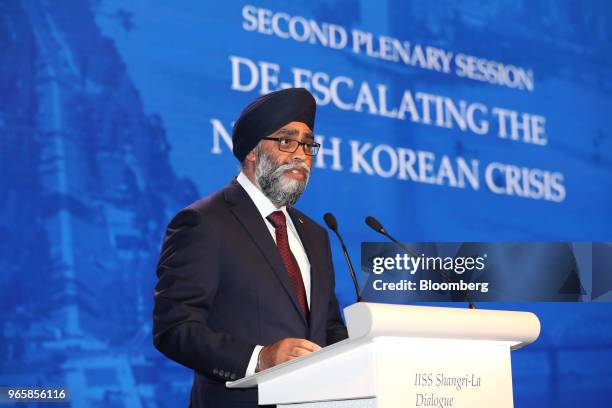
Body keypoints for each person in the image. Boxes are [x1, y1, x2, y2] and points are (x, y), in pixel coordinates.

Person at [153, 87, 348, 407]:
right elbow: (175, 329)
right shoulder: (204, 222)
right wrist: (259, 358)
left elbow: (327, 328)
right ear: (253, 150)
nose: (301, 154)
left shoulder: (315, 235)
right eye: (286, 141)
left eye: (308, 143)